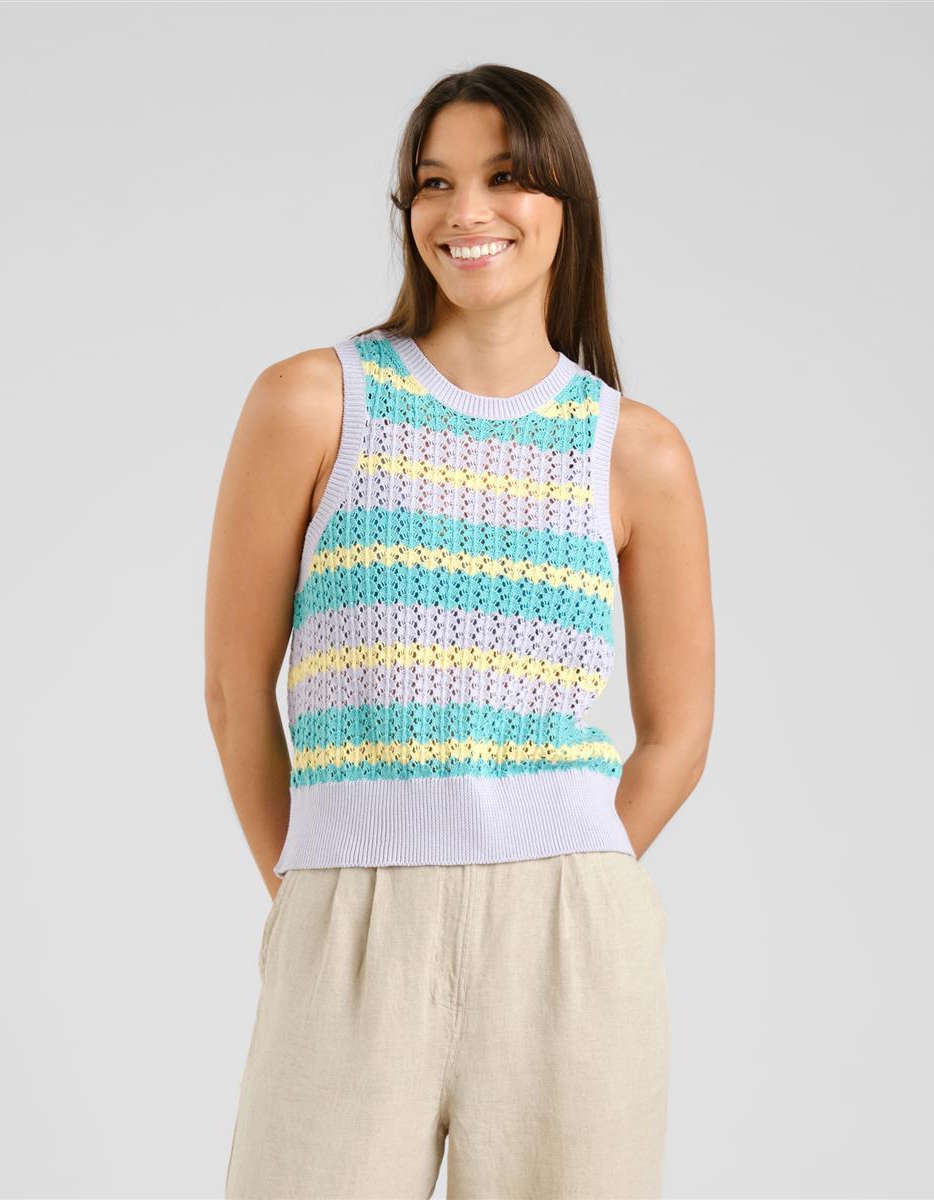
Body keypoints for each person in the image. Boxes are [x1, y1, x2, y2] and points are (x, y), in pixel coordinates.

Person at [205, 63, 715, 1200]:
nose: (465, 211)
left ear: (566, 203)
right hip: (348, 917)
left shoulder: (635, 450)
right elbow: (237, 692)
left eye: (505, 177)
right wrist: (314, 883)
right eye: (434, 182)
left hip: (570, 939)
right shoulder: (313, 401)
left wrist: (569, 871)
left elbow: (680, 733)